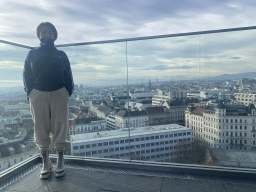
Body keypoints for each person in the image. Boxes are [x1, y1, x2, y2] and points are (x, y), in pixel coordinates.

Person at [23, 22, 74, 179]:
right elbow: (26, 74)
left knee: (60, 126)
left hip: (59, 93)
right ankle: (46, 161)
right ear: (39, 35)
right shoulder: (32, 54)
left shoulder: (61, 54)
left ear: (54, 36)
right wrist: (30, 93)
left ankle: (59, 160)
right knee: (40, 126)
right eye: (44, 32)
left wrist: (67, 92)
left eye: (50, 32)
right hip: (38, 94)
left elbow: (68, 74)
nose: (46, 34)